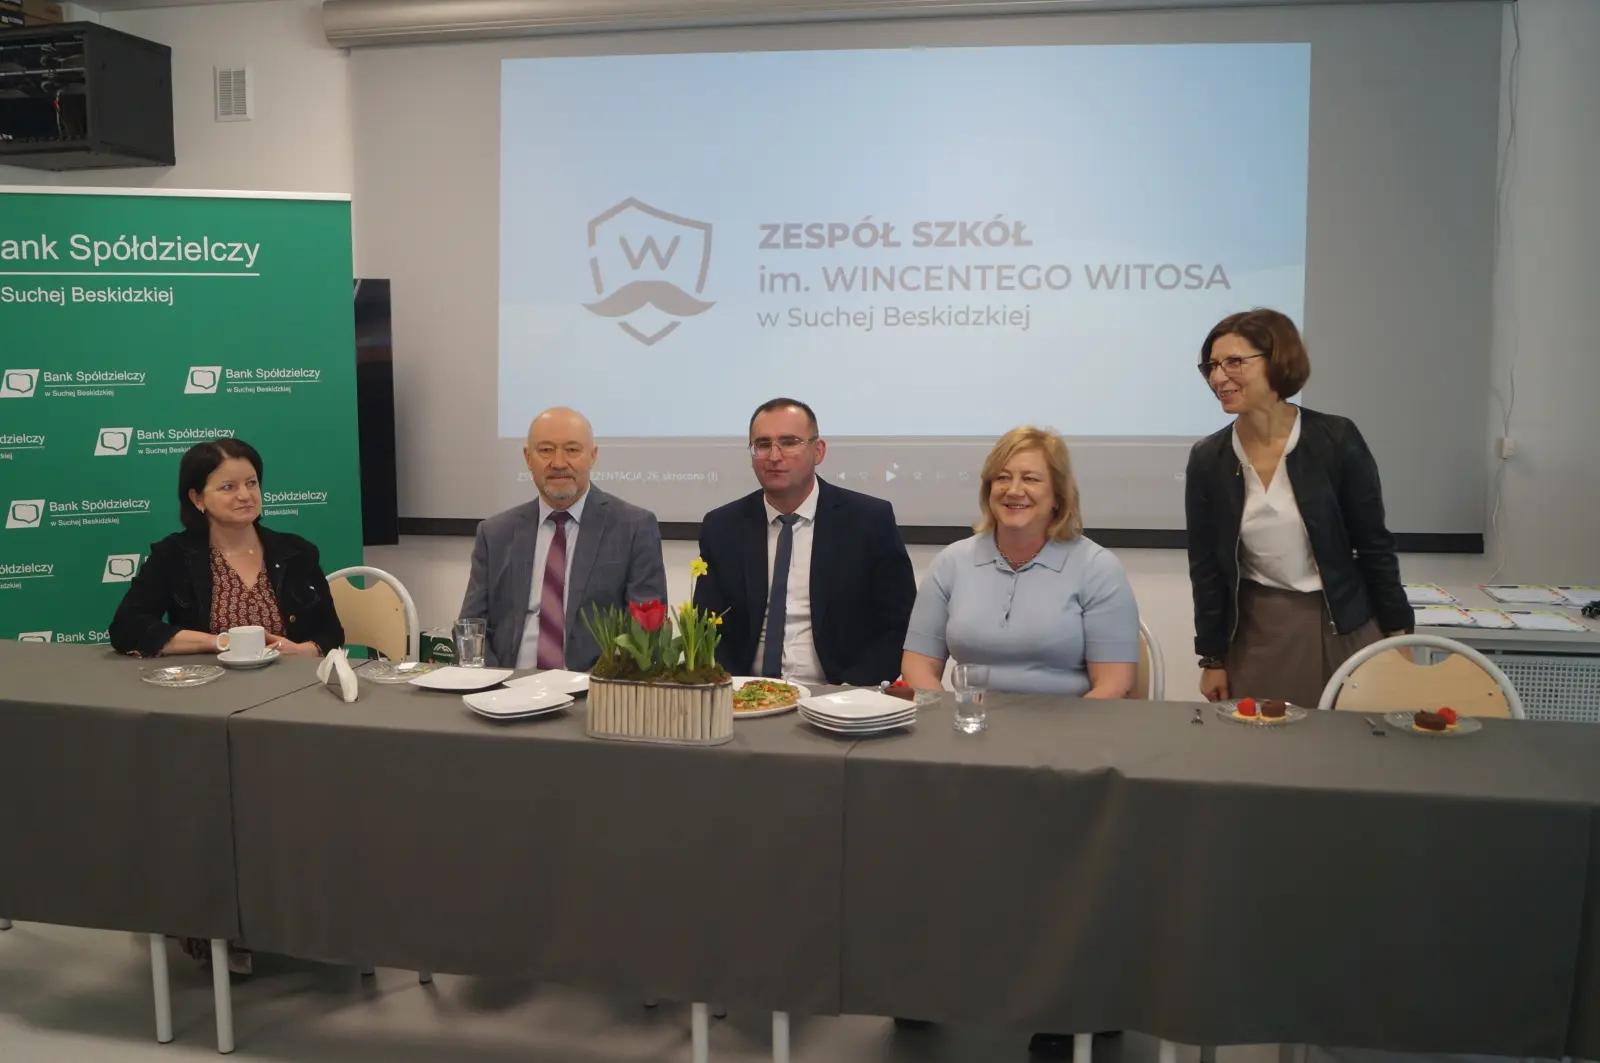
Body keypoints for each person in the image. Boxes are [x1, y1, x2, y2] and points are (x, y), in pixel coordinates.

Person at [1186, 308, 1413, 708]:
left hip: (1345, 623)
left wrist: (1398, 633)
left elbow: (1374, 545)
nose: (1218, 378)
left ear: (1278, 361)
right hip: (1260, 631)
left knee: (1352, 741)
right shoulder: (1209, 458)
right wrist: (1212, 657)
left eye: (1234, 362)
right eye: (1212, 366)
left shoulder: (1335, 439)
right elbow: (1206, 569)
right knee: (1266, 741)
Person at [901, 426, 1139, 697]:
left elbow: (1114, 683)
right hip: (972, 719)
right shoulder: (951, 563)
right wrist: (948, 714)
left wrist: (1071, 728)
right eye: (1002, 478)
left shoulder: (1098, 568)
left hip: (1067, 720)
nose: (1014, 490)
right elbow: (918, 664)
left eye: (1030, 479)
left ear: (1058, 496)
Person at [694, 397, 915, 685]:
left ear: (818, 450)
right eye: (762, 444)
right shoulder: (723, 526)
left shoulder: (868, 521)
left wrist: (848, 693)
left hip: (840, 694)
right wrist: (735, 688)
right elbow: (707, 627)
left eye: (789, 442)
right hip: (745, 693)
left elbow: (899, 626)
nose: (774, 456)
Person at [460, 406, 666, 669]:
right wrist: (495, 683)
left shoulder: (633, 528)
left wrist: (595, 685)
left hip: (592, 687)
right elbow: (471, 627)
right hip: (507, 684)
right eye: (546, 450)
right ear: (527, 457)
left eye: (572, 450)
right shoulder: (495, 533)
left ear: (593, 456)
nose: (558, 463)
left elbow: (645, 634)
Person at [110, 437, 343, 658]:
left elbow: (331, 634)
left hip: (287, 679)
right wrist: (218, 642)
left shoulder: (297, 552)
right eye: (228, 487)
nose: (245, 495)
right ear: (197, 498)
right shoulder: (173, 555)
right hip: (208, 681)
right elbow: (127, 627)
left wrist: (301, 651)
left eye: (251, 483)